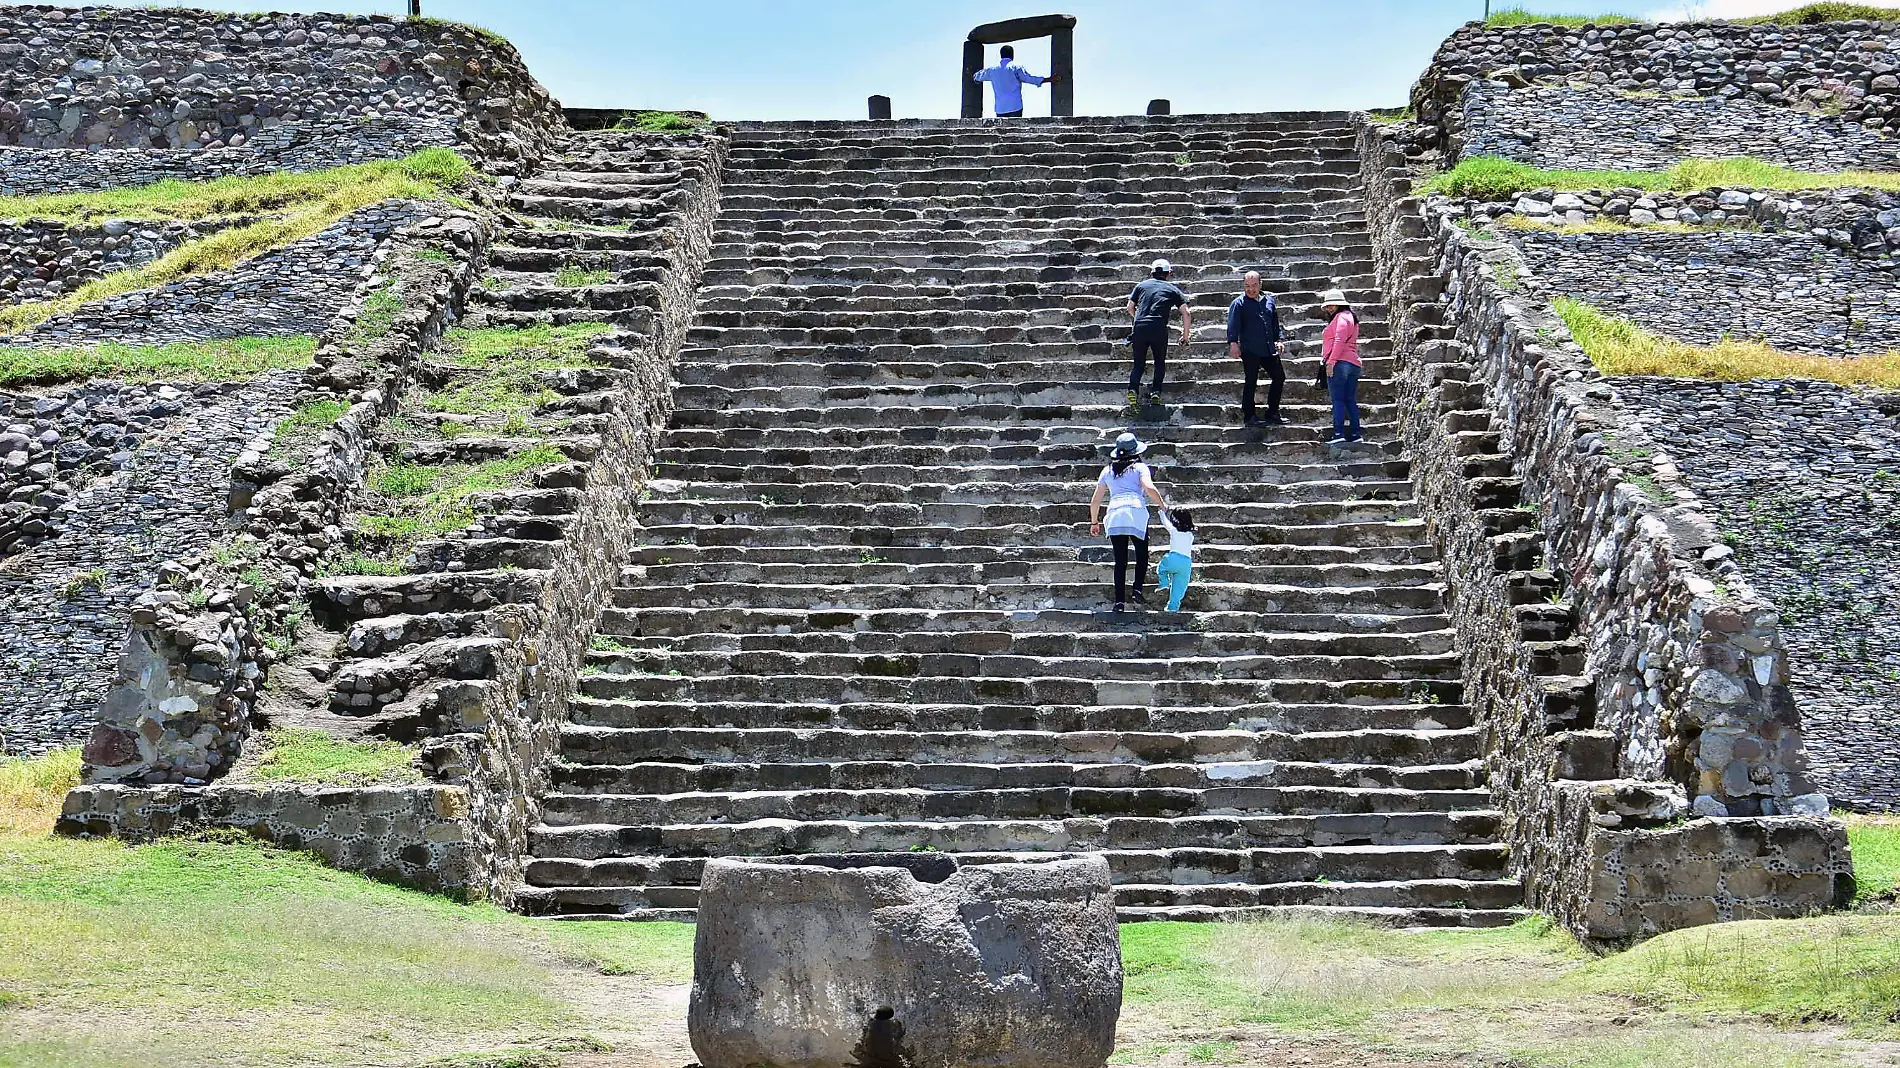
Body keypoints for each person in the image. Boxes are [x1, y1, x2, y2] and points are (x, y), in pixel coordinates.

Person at [1088, 433, 1167, 613]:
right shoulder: (1140, 467)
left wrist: (1094, 522)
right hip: (1136, 511)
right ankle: (1137, 588)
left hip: (1115, 514)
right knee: (1141, 554)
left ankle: (1119, 603)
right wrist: (1163, 506)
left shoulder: (1107, 470)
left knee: (1120, 561)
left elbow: (1095, 500)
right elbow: (1149, 488)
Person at [1126, 259, 1191, 409]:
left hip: (1140, 326)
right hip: (1158, 327)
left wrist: (1139, 320)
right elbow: (1186, 313)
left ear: (1151, 273)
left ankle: (1133, 389)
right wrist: (1185, 336)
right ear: (1169, 274)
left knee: (1138, 363)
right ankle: (1156, 391)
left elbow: (1130, 307)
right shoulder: (1172, 289)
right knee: (1159, 362)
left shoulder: (1141, 286)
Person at [1225, 271, 1285, 427]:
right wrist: (1233, 343)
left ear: (1260, 284)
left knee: (1279, 377)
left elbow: (1275, 324)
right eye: (1247, 286)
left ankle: (1272, 412)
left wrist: (1279, 340)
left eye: (1254, 286)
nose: (1250, 289)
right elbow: (1233, 324)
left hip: (1268, 348)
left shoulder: (1269, 301)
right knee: (1251, 381)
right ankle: (1249, 416)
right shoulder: (1238, 303)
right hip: (1250, 348)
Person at [1319, 287, 1362, 444]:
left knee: (1338, 400)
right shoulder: (1352, 318)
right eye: (1328, 306)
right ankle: (1356, 434)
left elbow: (1339, 339)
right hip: (1353, 363)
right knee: (1349, 399)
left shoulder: (1341, 318)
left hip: (1340, 363)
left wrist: (1331, 361)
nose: (1329, 308)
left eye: (1332, 305)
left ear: (1339, 305)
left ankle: (1338, 434)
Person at [972, 45, 1056, 118]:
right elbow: (1029, 78)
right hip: (1015, 106)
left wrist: (973, 76)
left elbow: (976, 77)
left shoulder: (992, 70)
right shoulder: (1016, 67)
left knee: (1002, 134)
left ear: (1001, 55)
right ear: (1012, 55)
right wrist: (1048, 79)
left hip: (1000, 108)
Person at [1154, 508, 1195, 613]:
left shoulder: (1173, 530)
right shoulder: (1191, 535)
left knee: (1161, 569)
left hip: (1174, 558)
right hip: (1186, 563)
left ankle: (1164, 583)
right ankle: (1172, 608)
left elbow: (1165, 522)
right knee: (1179, 588)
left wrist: (1161, 512)